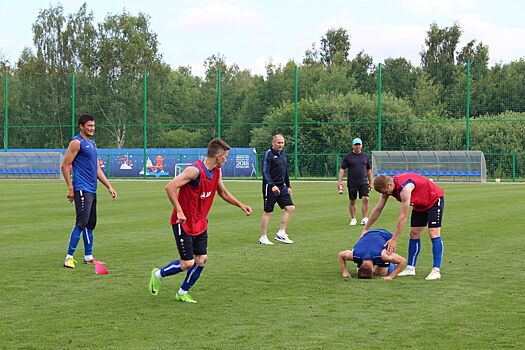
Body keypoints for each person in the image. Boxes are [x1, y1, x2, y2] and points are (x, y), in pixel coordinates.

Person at [149, 138, 253, 303]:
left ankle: (182, 292)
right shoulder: (195, 171)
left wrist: (240, 205)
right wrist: (179, 211)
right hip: (182, 222)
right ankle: (157, 274)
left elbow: (223, 192)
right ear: (218, 156)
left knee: (202, 259)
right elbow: (170, 186)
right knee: (188, 263)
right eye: (225, 156)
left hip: (200, 222)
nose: (226, 159)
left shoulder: (217, 172)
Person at [361, 173, 445, 280]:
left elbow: (403, 216)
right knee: (414, 234)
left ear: (390, 185)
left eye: (386, 192)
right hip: (419, 204)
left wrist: (394, 239)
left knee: (433, 233)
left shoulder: (405, 189)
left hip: (433, 199)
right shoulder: (388, 188)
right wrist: (365, 229)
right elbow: (378, 209)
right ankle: (410, 268)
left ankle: (436, 270)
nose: (386, 194)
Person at [61, 114, 117, 268]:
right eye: (89, 126)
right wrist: (71, 188)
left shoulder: (91, 144)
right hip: (81, 188)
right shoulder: (76, 143)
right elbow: (65, 166)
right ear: (81, 126)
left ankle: (88, 256)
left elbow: (96, 168)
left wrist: (109, 186)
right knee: (81, 222)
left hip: (92, 189)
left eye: (93, 125)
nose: (92, 128)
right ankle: (68, 258)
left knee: (90, 224)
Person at [259, 134, 295, 245]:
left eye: (282, 143)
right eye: (278, 143)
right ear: (273, 143)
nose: (280, 145)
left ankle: (281, 233)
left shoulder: (283, 154)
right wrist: (272, 185)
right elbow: (265, 172)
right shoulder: (268, 154)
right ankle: (263, 237)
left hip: (282, 186)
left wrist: (288, 186)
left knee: (290, 208)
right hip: (270, 187)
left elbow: (285, 171)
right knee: (268, 212)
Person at [338, 229, 406, 279]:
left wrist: (390, 276)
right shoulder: (355, 255)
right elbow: (340, 255)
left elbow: (403, 260)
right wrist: (345, 271)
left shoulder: (382, 255)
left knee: (381, 273)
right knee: (362, 272)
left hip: (385, 235)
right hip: (367, 235)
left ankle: (392, 263)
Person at [338, 138, 373, 226]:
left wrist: (370, 182)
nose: (358, 146)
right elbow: (342, 169)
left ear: (361, 145)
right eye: (356, 145)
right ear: (353, 145)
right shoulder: (348, 156)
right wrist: (340, 181)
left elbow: (368, 169)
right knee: (352, 201)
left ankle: (365, 218)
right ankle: (353, 219)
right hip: (352, 182)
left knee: (366, 198)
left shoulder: (365, 156)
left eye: (359, 144)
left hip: (363, 182)